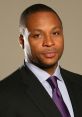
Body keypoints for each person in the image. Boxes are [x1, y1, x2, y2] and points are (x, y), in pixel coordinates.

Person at [0, 3, 82, 117]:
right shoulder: (4, 95)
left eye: (55, 33)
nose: (49, 42)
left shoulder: (79, 83)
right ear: (21, 41)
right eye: (37, 35)